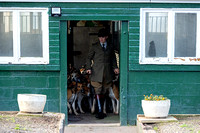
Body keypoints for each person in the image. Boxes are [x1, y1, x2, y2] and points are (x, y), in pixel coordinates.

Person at [86, 28, 119, 119]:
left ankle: (103, 110)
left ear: (106, 37)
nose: (101, 39)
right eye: (100, 37)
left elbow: (113, 58)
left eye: (103, 37)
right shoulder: (94, 46)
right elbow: (88, 58)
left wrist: (115, 67)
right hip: (97, 72)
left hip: (107, 72)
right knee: (98, 89)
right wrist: (88, 68)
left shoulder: (110, 46)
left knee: (104, 91)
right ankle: (99, 110)